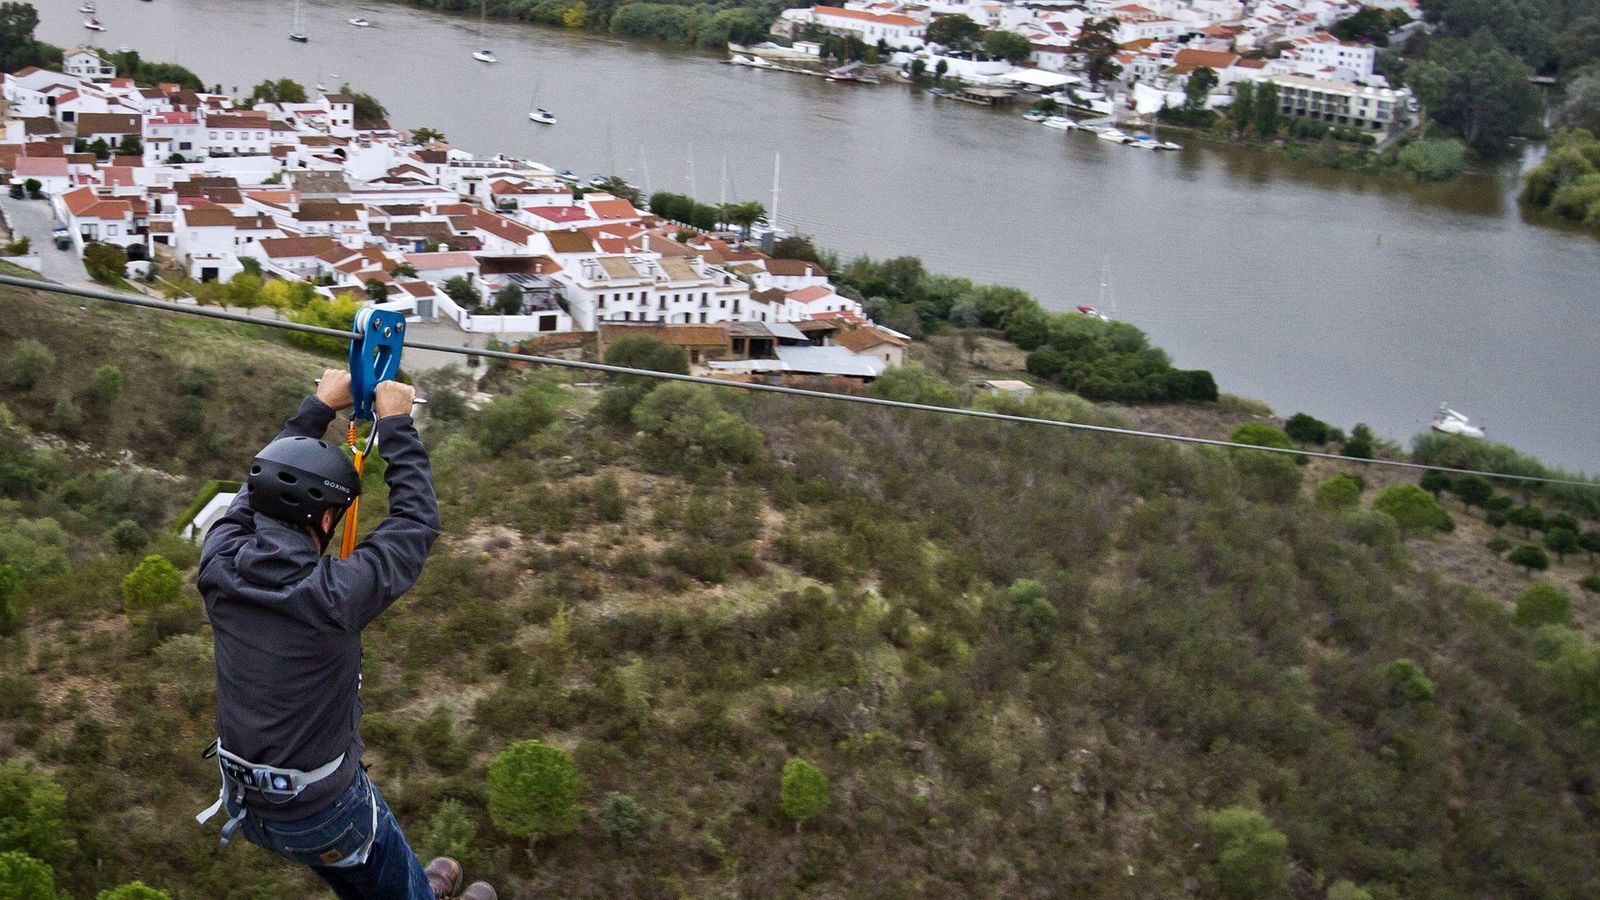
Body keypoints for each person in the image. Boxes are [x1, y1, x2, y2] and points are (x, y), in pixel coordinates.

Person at [196, 370, 494, 900]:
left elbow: (256, 486)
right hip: (325, 812)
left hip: (250, 808)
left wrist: (317, 408)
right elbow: (416, 523)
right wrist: (397, 424)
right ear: (330, 516)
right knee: (370, 861)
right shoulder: (332, 595)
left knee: (352, 866)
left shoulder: (218, 566)